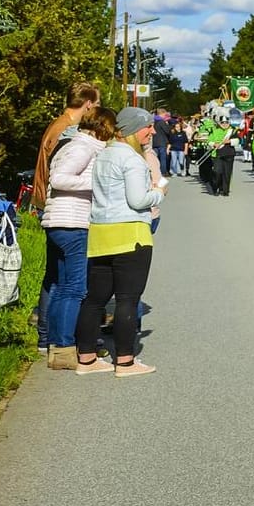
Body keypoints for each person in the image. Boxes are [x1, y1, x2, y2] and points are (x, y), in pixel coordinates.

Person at [76, 107, 164, 377]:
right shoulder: (133, 159)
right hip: (129, 234)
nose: (152, 131)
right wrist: (158, 193)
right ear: (130, 129)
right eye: (146, 127)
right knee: (128, 298)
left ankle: (86, 357)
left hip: (101, 231)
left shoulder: (103, 153)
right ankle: (125, 361)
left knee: (95, 299)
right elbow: (137, 200)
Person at [30, 81, 100, 357]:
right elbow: (57, 174)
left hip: (50, 205)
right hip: (62, 210)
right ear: (89, 104)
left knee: (56, 277)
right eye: (95, 105)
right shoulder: (67, 131)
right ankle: (54, 338)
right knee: (65, 281)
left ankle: (48, 337)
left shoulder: (56, 124)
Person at [38, 106, 109, 369]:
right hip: (73, 223)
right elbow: (59, 179)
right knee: (75, 288)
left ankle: (56, 345)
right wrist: (95, 184)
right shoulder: (83, 148)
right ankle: (65, 347)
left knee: (60, 286)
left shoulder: (72, 144)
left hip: (59, 220)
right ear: (102, 128)